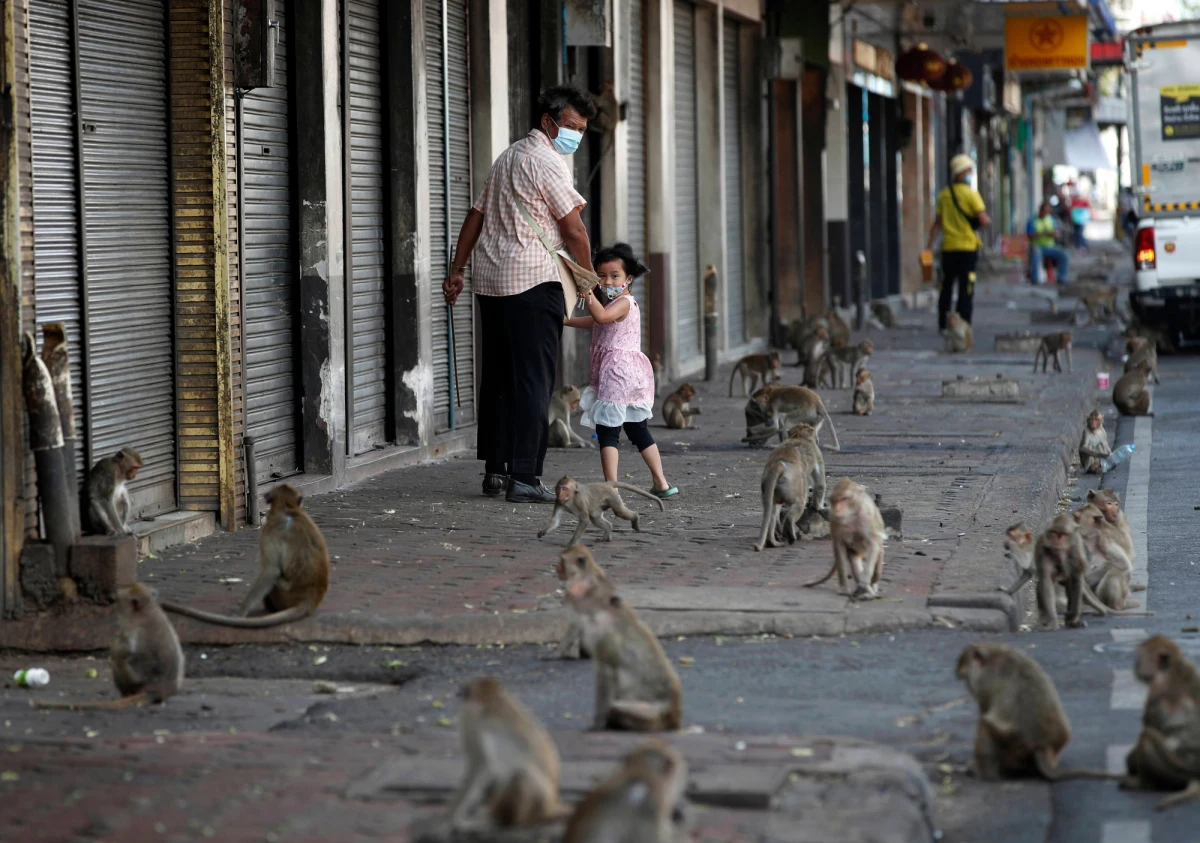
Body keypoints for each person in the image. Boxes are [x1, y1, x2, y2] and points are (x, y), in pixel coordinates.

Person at [442, 85, 598, 503]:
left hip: (491, 283)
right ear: (548, 122)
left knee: (499, 377)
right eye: (570, 127)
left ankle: (496, 470)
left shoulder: (508, 156)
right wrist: (588, 276)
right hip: (532, 282)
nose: (575, 136)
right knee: (533, 381)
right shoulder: (546, 160)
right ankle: (525, 477)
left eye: (581, 129)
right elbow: (573, 228)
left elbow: (475, 216)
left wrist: (458, 269)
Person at [564, 243, 677, 498]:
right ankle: (661, 483)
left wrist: (587, 292)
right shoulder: (614, 304)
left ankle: (611, 487)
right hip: (626, 374)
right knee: (637, 429)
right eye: (601, 276)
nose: (607, 281)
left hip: (618, 374)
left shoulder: (624, 302)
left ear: (629, 278)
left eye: (615, 276)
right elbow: (596, 321)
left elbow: (601, 318)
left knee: (607, 431)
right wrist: (564, 320)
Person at [926, 153, 991, 331]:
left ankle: (943, 324)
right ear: (961, 172)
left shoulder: (944, 195)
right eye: (969, 170)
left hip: (948, 248)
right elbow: (984, 219)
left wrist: (929, 248)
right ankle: (963, 324)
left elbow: (936, 225)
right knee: (966, 288)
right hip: (967, 249)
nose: (971, 172)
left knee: (946, 286)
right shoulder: (971, 195)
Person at [1028, 201, 1070, 284]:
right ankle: (1035, 279)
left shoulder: (1051, 219)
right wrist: (1043, 234)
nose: (1046, 213)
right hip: (1037, 246)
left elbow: (1057, 233)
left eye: (1048, 211)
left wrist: (1053, 234)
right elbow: (1030, 235)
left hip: (1050, 247)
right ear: (1041, 210)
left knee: (1065, 255)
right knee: (1036, 254)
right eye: (1045, 211)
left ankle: (1061, 278)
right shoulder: (1033, 220)